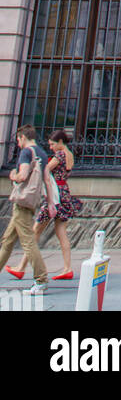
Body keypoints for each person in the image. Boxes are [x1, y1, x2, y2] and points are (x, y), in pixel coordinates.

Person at [13, 129, 82, 281]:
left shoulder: (60, 155)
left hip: (55, 195)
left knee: (35, 231)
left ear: (60, 143)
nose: (50, 147)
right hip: (64, 194)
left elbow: (46, 169)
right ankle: (67, 268)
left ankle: (21, 267)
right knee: (61, 232)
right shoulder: (69, 155)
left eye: (52, 144)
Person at [0, 125, 51, 293]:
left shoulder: (26, 153)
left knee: (28, 241)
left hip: (21, 203)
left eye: (18, 140)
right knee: (7, 240)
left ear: (23, 137)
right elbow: (47, 181)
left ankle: (41, 279)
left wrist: (12, 176)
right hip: (31, 202)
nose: (18, 144)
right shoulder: (42, 153)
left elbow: (22, 176)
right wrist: (50, 203)